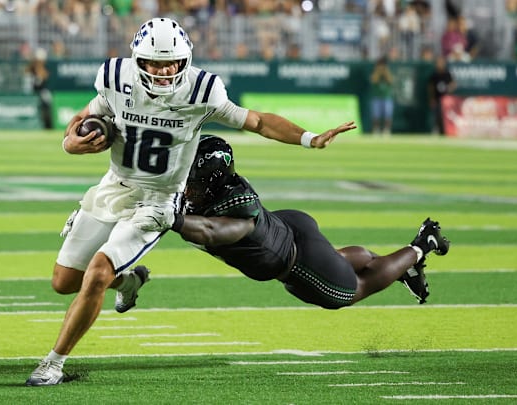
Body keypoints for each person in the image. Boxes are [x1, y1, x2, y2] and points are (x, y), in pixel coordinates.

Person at [25, 17, 357, 386]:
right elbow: (85, 117)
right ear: (139, 60)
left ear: (185, 60)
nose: (165, 70)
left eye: (172, 62)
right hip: (114, 186)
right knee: (64, 281)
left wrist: (310, 138)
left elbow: (259, 122)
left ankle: (53, 362)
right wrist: (70, 142)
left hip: (158, 201)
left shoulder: (202, 90)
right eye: (155, 62)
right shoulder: (116, 79)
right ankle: (129, 283)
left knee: (98, 272)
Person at [132, 135, 450, 310]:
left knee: (348, 291)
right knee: (335, 261)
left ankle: (422, 246)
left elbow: (215, 231)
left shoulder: (235, 208)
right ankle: (398, 262)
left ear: (213, 181)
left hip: (296, 258)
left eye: (194, 182)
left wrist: (172, 219)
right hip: (291, 232)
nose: (187, 188)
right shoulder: (212, 189)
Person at [427, 56, 456, 135]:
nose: (440, 64)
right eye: (438, 63)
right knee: (437, 116)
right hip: (437, 99)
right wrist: (431, 99)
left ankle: (446, 131)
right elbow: (431, 88)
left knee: (446, 116)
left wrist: (450, 88)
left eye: (441, 62)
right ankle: (437, 130)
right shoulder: (434, 74)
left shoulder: (447, 73)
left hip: (446, 100)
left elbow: (453, 84)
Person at [369, 56, 394, 135]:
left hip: (387, 97)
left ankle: (387, 130)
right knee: (376, 115)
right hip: (377, 97)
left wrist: (385, 71)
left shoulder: (388, 72)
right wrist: (378, 71)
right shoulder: (375, 72)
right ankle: (376, 129)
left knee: (388, 114)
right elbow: (373, 80)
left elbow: (390, 81)